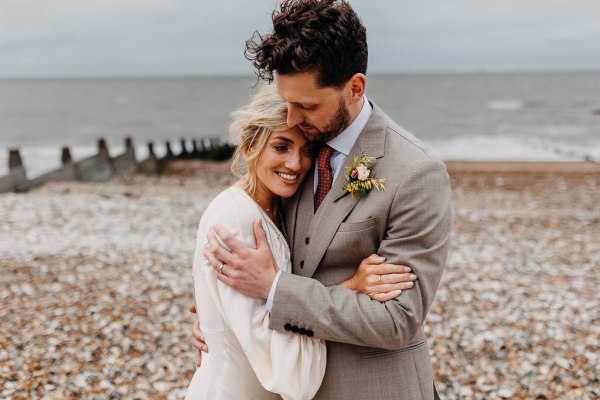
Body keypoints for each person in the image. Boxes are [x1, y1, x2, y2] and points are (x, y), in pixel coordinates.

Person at [196, 0, 453, 398]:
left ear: (354, 88)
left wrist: (275, 290)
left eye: (307, 105)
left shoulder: (415, 172)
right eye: (287, 102)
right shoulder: (298, 153)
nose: (293, 118)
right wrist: (223, 322)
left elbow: (396, 319)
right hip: (289, 381)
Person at [186, 85, 419, 400]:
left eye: (307, 150)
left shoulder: (280, 205)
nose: (296, 165)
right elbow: (284, 365)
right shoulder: (236, 219)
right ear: (251, 144)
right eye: (281, 147)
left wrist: (213, 312)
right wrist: (353, 286)